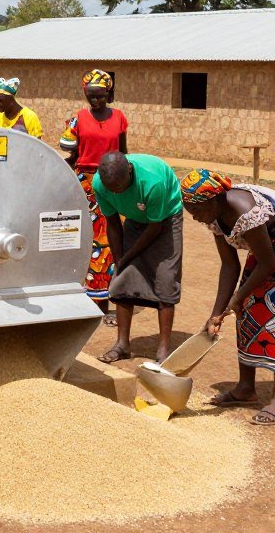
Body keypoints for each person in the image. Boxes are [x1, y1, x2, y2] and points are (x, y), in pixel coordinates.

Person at [181, 169, 275, 426]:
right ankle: (245, 389)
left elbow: (268, 263)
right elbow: (229, 266)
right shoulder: (215, 216)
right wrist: (218, 313)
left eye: (196, 209)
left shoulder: (245, 210)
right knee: (248, 307)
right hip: (269, 247)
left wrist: (237, 297)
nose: (193, 217)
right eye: (188, 210)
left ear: (214, 200)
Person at [93, 152, 182, 364]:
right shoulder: (100, 183)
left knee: (166, 280)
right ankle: (122, 345)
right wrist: (119, 260)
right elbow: (113, 222)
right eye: (112, 189)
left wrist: (127, 257)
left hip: (165, 218)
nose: (116, 192)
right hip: (135, 218)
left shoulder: (153, 182)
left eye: (121, 188)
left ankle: (164, 351)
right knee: (125, 279)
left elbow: (155, 228)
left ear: (130, 171)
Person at [60, 70, 127, 324]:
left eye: (99, 96)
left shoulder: (119, 118)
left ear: (108, 93)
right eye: (90, 96)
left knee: (108, 242)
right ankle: (81, 298)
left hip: (112, 183)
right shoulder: (78, 119)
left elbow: (124, 152)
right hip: (85, 184)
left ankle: (103, 302)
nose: (95, 101)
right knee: (83, 239)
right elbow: (70, 150)